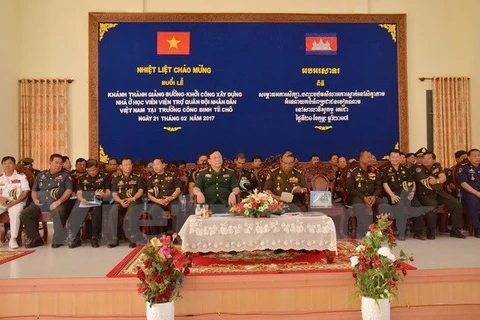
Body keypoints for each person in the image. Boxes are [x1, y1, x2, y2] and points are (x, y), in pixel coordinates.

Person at [20, 153, 73, 248]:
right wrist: (35, 200)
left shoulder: (66, 176)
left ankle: (58, 238)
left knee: (59, 210)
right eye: (56, 162)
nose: (58, 165)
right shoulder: (41, 175)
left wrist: (59, 201)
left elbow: (69, 190)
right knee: (25, 213)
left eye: (60, 163)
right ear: (50, 162)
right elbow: (34, 190)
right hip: (41, 201)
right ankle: (35, 238)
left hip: (57, 202)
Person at [412, 151, 466, 239]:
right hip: (425, 194)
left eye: (429, 158)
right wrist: (438, 181)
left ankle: (455, 229)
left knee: (456, 204)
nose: (425, 160)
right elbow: (427, 183)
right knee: (432, 206)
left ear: (433, 160)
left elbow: (443, 178)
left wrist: (437, 181)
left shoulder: (437, 165)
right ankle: (431, 230)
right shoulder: (419, 169)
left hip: (439, 193)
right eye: (424, 158)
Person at [69, 159, 111, 248]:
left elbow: (108, 192)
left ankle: (94, 237)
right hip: (85, 200)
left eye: (94, 170)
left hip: (98, 201)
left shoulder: (105, 177)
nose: (92, 172)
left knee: (96, 212)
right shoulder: (82, 178)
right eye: (89, 170)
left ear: (98, 168)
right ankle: (76, 238)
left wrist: (104, 195)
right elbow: (79, 192)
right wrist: (81, 199)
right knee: (75, 211)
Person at [347, 150, 386, 237]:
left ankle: (378, 230)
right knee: (360, 206)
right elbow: (351, 189)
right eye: (368, 157)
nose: (370, 159)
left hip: (372, 196)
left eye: (371, 157)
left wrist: (374, 196)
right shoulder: (353, 171)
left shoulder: (374, 170)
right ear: (361, 159)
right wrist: (363, 197)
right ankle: (367, 231)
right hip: (357, 196)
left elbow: (378, 187)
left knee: (383, 205)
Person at [109, 157, 145, 248]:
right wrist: (120, 201)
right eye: (126, 165)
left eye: (130, 164)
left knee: (132, 210)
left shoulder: (138, 177)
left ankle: (133, 237)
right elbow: (114, 194)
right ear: (121, 166)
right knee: (113, 210)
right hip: (121, 201)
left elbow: (140, 191)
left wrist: (132, 199)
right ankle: (114, 238)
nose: (128, 167)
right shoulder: (116, 179)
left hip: (134, 200)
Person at [381, 150, 416, 241]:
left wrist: (412, 192)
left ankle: (420, 231)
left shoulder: (405, 170)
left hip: (406, 195)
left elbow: (411, 183)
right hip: (392, 195)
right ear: (389, 158)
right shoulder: (385, 170)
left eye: (397, 157)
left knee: (418, 204)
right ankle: (401, 233)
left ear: (400, 158)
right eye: (393, 157)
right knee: (400, 207)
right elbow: (385, 184)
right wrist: (392, 195)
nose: (395, 159)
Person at [0, 156, 30, 249]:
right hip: (2, 202)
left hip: (17, 202)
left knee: (15, 212)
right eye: (5, 164)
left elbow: (25, 192)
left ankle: (13, 238)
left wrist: (15, 202)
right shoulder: (0, 178)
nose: (7, 165)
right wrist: (1, 198)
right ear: (2, 165)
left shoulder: (21, 177)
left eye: (9, 163)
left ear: (14, 165)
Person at [147, 157, 182, 236]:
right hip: (158, 201)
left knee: (176, 210)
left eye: (158, 164)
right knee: (152, 213)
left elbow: (178, 189)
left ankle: (176, 236)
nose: (155, 166)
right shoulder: (152, 179)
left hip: (172, 199)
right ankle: (155, 237)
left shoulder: (172, 175)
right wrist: (158, 201)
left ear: (163, 165)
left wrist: (171, 198)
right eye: (154, 165)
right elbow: (149, 194)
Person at [458, 149, 480, 238]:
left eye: (479, 155)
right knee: (473, 202)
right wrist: (476, 192)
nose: (477, 157)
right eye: (474, 156)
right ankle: (477, 228)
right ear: (469, 158)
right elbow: (463, 183)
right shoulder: (464, 168)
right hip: (470, 192)